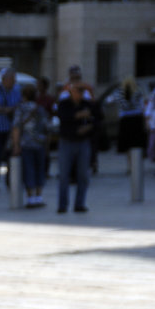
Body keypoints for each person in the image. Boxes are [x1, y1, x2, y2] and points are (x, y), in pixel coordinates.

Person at [56, 81, 94, 214]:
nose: (80, 93)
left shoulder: (87, 104)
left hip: (83, 142)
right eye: (77, 90)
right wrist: (79, 115)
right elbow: (63, 117)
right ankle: (62, 205)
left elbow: (97, 118)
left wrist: (88, 127)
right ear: (71, 91)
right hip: (66, 142)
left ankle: (80, 203)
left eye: (82, 91)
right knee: (64, 175)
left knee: (83, 175)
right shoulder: (64, 104)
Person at [11, 83, 49, 208]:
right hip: (39, 143)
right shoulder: (40, 109)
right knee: (40, 169)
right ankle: (39, 197)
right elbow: (46, 127)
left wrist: (16, 144)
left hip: (26, 144)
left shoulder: (20, 109)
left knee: (28, 170)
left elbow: (16, 128)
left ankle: (30, 198)